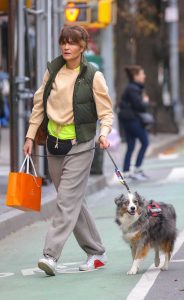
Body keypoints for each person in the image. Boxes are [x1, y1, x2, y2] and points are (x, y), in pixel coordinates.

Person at [23, 25, 113, 276]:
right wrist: (30, 136)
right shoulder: (52, 71)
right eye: (63, 41)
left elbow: (106, 112)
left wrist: (103, 135)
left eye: (72, 42)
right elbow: (39, 106)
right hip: (54, 143)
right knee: (72, 200)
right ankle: (97, 251)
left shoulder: (93, 75)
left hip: (81, 144)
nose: (66, 46)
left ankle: (50, 255)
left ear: (82, 46)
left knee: (65, 201)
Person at [118, 65, 150, 181]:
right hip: (132, 120)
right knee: (145, 142)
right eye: (142, 74)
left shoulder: (132, 87)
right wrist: (145, 102)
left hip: (128, 120)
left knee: (131, 145)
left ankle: (127, 172)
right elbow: (139, 106)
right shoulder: (133, 88)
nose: (144, 76)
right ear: (136, 76)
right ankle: (137, 169)